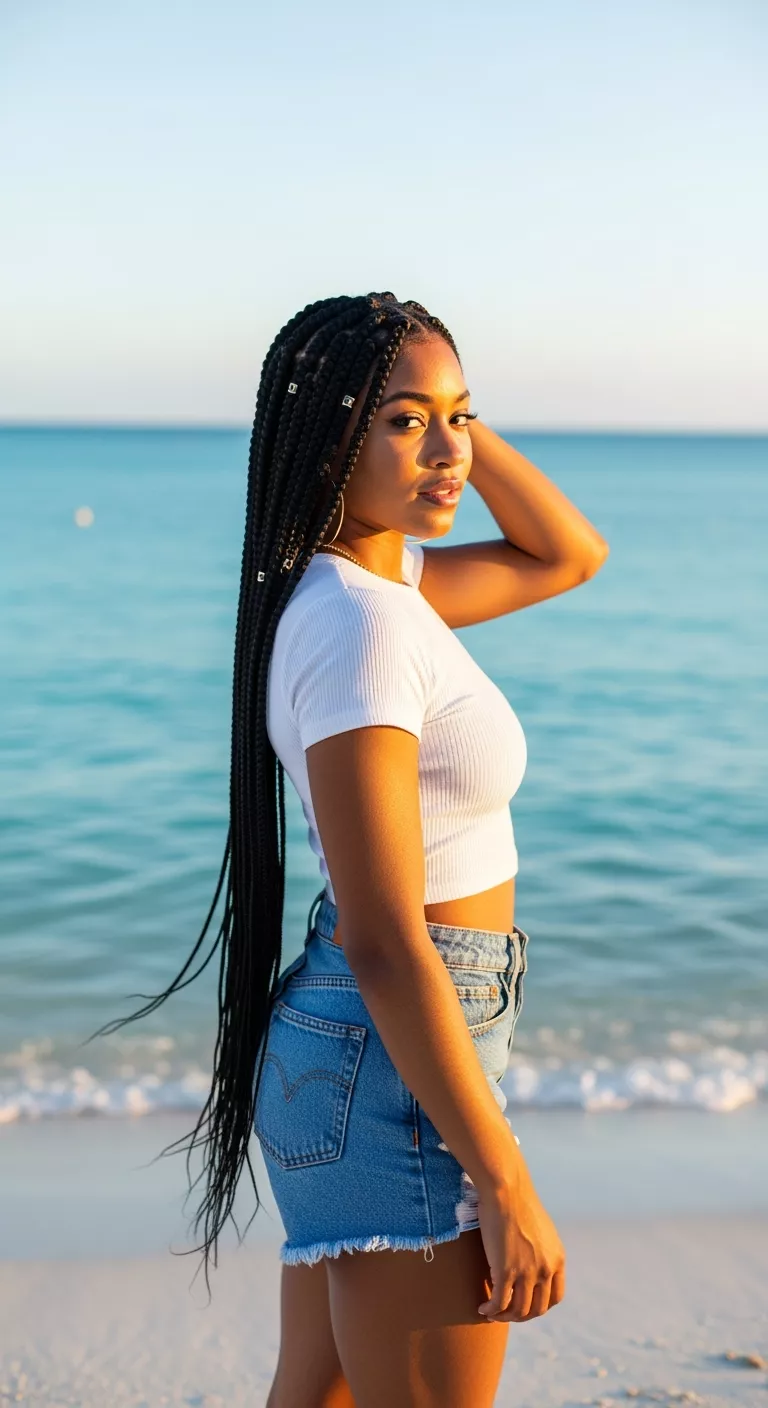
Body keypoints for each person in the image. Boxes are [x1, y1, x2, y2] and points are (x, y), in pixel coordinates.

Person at [93, 292, 609, 1407]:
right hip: (398, 1050)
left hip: (364, 1052)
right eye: (405, 422)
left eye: (460, 419)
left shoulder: (374, 590)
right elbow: (385, 938)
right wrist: (504, 1181)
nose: (450, 452)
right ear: (331, 435)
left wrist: (442, 416)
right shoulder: (363, 629)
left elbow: (568, 553)